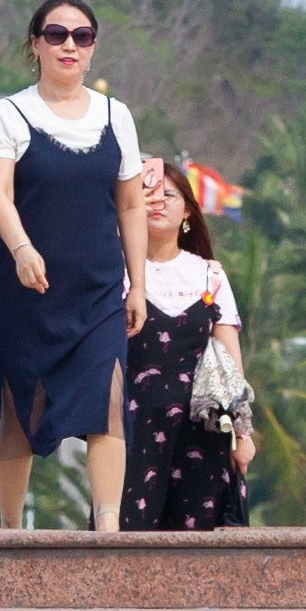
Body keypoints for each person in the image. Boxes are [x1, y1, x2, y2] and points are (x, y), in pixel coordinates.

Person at [0, 0, 142, 530]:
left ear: (93, 49)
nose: (69, 45)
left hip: (98, 291)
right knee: (19, 410)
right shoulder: (10, 113)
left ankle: (109, 527)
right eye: (56, 35)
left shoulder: (118, 115)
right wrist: (22, 248)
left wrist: (137, 284)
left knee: (108, 398)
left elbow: (132, 202)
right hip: (31, 290)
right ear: (36, 44)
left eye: (82, 36)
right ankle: (8, 528)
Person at [111, 162, 252, 532]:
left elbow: (229, 362)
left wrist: (243, 435)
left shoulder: (211, 275)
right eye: (147, 195)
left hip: (203, 431)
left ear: (188, 209)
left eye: (168, 196)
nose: (157, 204)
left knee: (202, 543)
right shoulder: (115, 274)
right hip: (132, 428)